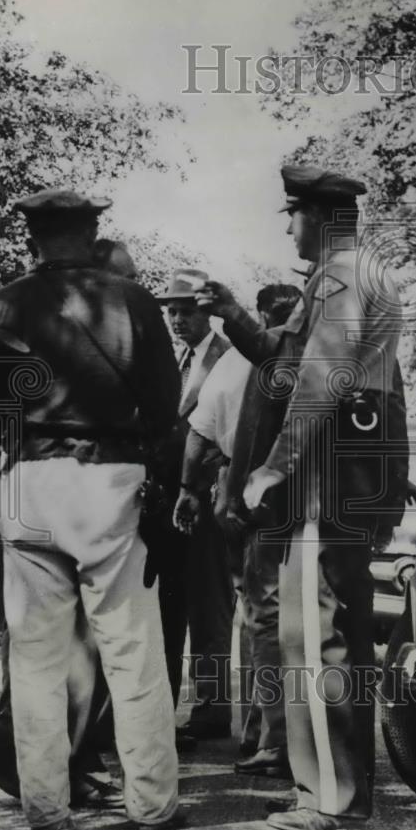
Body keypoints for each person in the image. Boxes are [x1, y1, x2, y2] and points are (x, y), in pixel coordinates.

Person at [0, 190, 182, 830]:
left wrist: (5, 431)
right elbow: (166, 408)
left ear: (33, 237)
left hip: (28, 480)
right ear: (93, 232)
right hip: (109, 477)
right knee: (132, 651)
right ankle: (153, 805)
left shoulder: (1, 303)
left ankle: (46, 814)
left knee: (37, 659)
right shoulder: (132, 302)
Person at [197, 165, 409, 830]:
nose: (288, 226)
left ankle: (330, 801)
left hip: (327, 481)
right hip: (343, 480)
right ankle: (332, 791)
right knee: (324, 635)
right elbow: (288, 367)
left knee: (314, 640)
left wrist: (271, 468)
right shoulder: (345, 276)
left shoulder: (343, 277)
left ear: (318, 216)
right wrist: (234, 316)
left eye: (292, 214)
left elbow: (316, 385)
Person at [0, 236, 140, 808]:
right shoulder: (74, 344)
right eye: (119, 284)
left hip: (24, 489)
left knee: (47, 642)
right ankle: (26, 753)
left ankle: (46, 757)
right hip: (53, 491)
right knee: (70, 643)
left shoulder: (22, 324)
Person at [172, 284, 302, 775]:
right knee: (269, 614)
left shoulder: (235, 361)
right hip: (267, 492)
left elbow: (200, 434)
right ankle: (266, 732)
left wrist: (193, 487)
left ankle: (265, 734)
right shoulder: (292, 359)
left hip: (249, 490)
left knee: (258, 614)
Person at [151, 269, 235, 743]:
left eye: (186, 311)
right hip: (172, 496)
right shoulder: (173, 359)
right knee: (170, 601)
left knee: (209, 603)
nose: (177, 319)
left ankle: (211, 710)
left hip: (209, 495)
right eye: (172, 311)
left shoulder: (229, 356)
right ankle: (164, 706)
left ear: (207, 312)